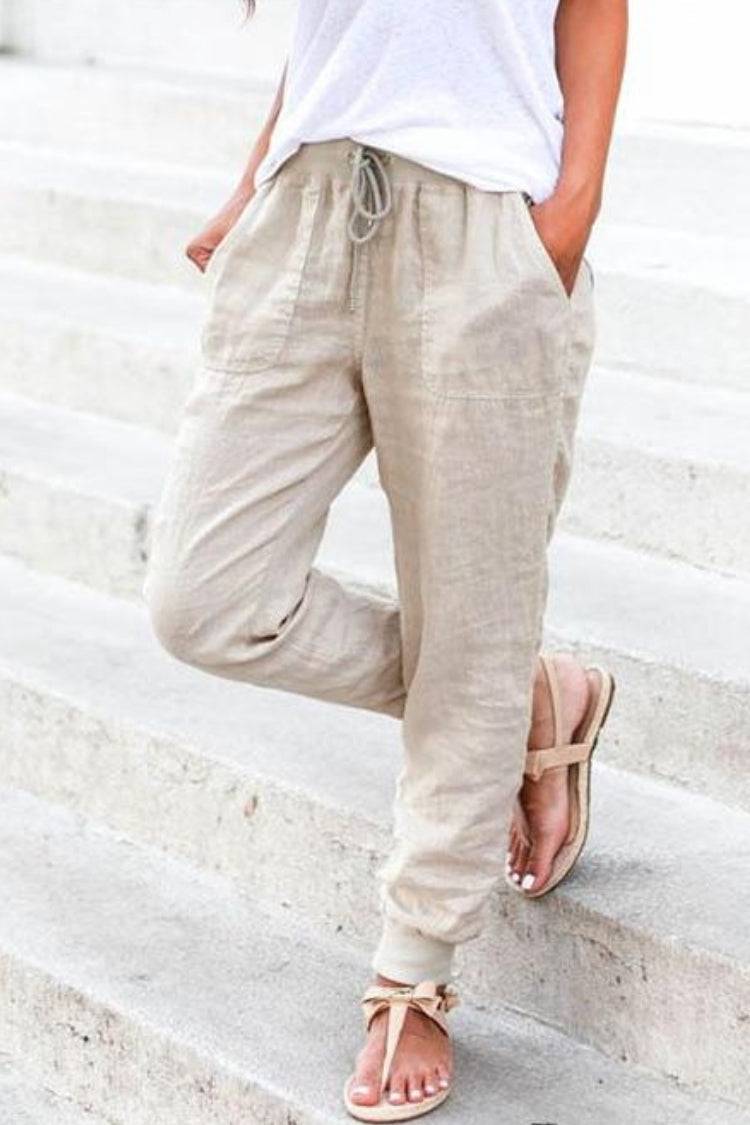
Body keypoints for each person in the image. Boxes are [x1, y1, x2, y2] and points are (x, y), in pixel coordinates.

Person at [144, 0, 627, 1119]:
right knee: (205, 600)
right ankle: (526, 691)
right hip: (306, 209)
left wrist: (565, 220)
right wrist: (256, 178)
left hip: (483, 228)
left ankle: (414, 966)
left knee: (472, 617)